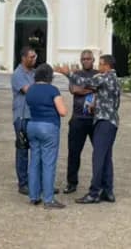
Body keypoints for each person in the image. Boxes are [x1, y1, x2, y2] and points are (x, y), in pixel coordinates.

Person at [76, 54, 121, 204]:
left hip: (104, 121)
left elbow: (84, 82)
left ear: (107, 66)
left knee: (98, 157)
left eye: (101, 64)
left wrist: (67, 73)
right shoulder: (115, 79)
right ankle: (108, 190)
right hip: (112, 121)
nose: (99, 67)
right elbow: (111, 100)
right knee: (106, 157)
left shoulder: (106, 77)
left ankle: (94, 192)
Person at [54, 49, 97, 193]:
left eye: (88, 59)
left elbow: (93, 88)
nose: (86, 61)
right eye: (83, 59)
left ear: (93, 60)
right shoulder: (76, 74)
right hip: (78, 119)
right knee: (74, 153)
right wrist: (92, 89)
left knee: (99, 153)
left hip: (95, 119)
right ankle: (72, 183)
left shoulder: (98, 74)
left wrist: (84, 87)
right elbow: (74, 90)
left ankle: (98, 182)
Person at [26, 63, 67, 209]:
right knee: (48, 163)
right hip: (48, 126)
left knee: (34, 161)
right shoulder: (52, 90)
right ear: (50, 76)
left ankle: (33, 195)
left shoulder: (30, 89)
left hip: (32, 125)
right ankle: (48, 199)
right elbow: (62, 111)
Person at [11, 47, 37, 195]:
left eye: (35, 57)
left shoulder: (34, 73)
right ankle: (23, 183)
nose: (34, 59)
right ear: (23, 58)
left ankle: (37, 182)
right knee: (22, 150)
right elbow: (29, 90)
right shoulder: (18, 74)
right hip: (21, 117)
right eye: (31, 57)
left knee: (37, 150)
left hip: (33, 116)